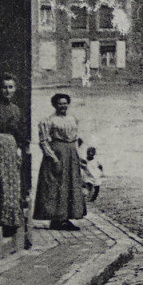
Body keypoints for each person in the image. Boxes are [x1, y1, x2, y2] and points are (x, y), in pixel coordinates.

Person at [0, 74, 29, 236]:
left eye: (10, 87)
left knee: (12, 181)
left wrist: (19, 148)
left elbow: (19, 131)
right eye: (4, 87)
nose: (7, 91)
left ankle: (10, 220)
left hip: (11, 145)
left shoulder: (16, 109)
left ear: (15, 89)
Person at [34, 92, 86, 231]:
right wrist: (53, 158)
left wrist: (78, 155)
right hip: (57, 153)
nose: (62, 106)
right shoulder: (49, 120)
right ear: (54, 105)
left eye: (65, 103)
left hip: (71, 154)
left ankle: (66, 218)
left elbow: (77, 138)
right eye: (59, 103)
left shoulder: (73, 118)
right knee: (56, 186)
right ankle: (56, 219)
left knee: (70, 185)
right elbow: (43, 141)